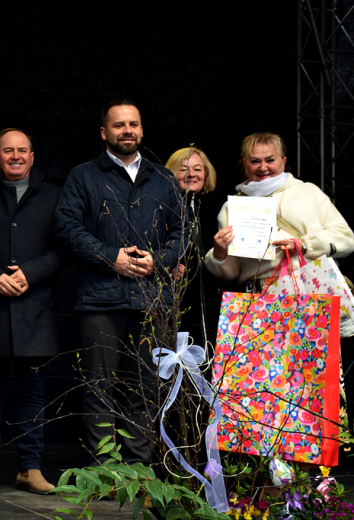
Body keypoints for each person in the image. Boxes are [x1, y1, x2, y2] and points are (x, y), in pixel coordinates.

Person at [54, 99, 183, 465]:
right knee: (98, 388)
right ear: (104, 132)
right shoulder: (83, 176)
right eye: (118, 125)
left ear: (142, 130)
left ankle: (138, 470)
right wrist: (112, 258)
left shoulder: (163, 178)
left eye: (133, 124)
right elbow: (66, 228)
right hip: (98, 299)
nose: (127, 131)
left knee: (144, 388)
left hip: (150, 299)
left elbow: (182, 233)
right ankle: (105, 470)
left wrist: (157, 260)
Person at [0, 129, 62, 494]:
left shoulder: (55, 195)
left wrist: (31, 272)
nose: (15, 156)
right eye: (7, 151)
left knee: (32, 391)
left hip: (35, 305)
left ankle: (30, 468)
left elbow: (64, 249)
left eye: (21, 150)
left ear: (32, 155)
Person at [204, 132, 354, 290]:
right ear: (244, 164)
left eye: (270, 160)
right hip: (263, 297)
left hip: (315, 288)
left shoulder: (309, 191)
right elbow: (232, 272)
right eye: (255, 161)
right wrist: (219, 253)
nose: (263, 167)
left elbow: (346, 238)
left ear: (283, 162)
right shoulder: (232, 207)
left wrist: (306, 245)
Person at [165, 147, 224, 349]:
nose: (191, 174)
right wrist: (166, 266)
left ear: (206, 174)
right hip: (175, 300)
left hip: (213, 298)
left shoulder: (221, 208)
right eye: (183, 169)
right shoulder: (161, 208)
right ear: (171, 174)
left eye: (197, 169)